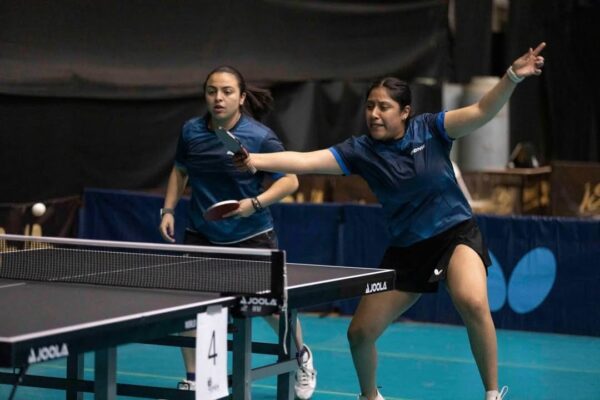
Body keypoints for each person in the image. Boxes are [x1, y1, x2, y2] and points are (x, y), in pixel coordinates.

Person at [234, 43, 546, 400]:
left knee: (472, 301)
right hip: (408, 249)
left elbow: (481, 111)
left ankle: (492, 394)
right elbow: (306, 160)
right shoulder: (361, 151)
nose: (374, 114)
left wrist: (512, 76)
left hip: (455, 234)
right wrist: (256, 161)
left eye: (384, 107)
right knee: (359, 334)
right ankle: (370, 396)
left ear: (405, 111)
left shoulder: (431, 129)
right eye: (370, 106)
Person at [159, 65, 317, 399]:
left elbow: (290, 180)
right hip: (201, 233)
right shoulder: (191, 131)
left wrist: (254, 204)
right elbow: (180, 170)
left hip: (250, 235)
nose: (218, 98)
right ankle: (194, 378)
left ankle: (301, 356)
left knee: (272, 309)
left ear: (242, 97)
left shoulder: (259, 136)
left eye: (227, 91)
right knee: (191, 309)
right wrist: (168, 210)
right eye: (212, 91)